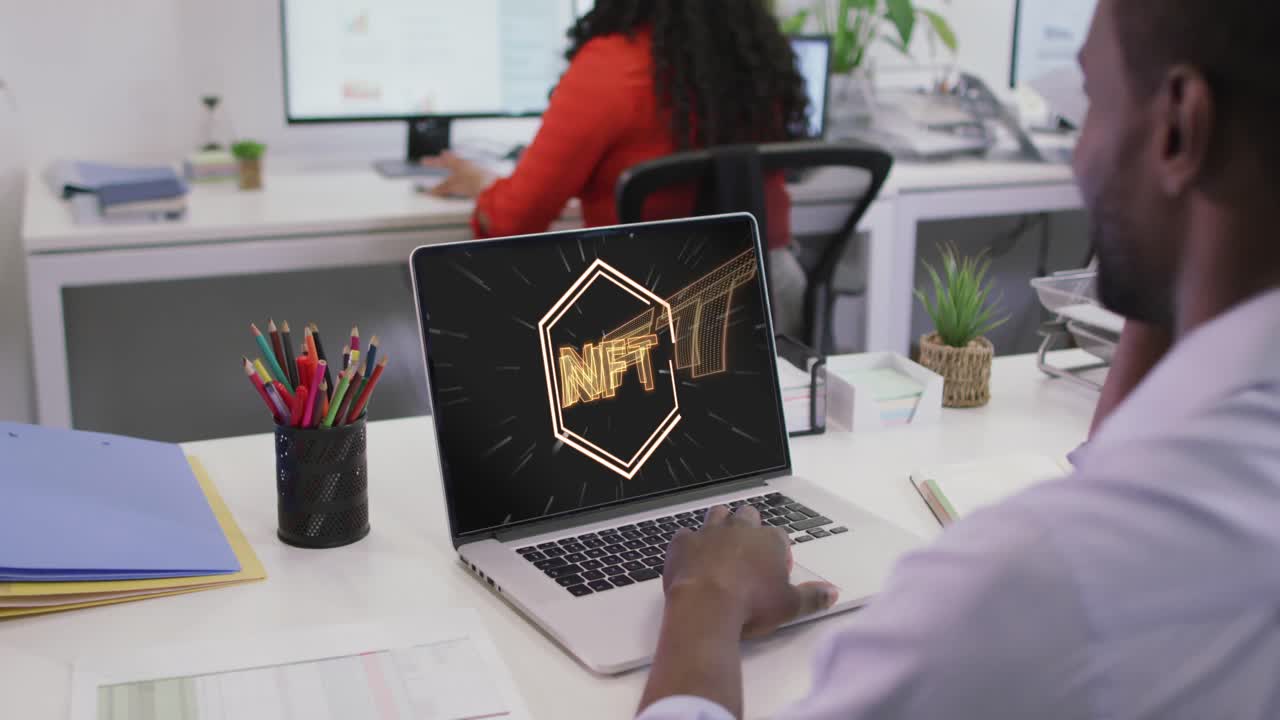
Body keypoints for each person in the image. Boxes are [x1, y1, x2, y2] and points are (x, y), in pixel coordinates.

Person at [636, 0, 1280, 717]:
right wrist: (1176, 277)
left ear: (1179, 127)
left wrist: (706, 598)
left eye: (1092, 100)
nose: (1077, 153)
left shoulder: (1022, 589)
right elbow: (1131, 474)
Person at [424, 0, 813, 338]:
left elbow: (515, 220)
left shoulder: (611, 67)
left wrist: (484, 187)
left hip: (643, 310)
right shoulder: (757, 62)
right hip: (769, 296)